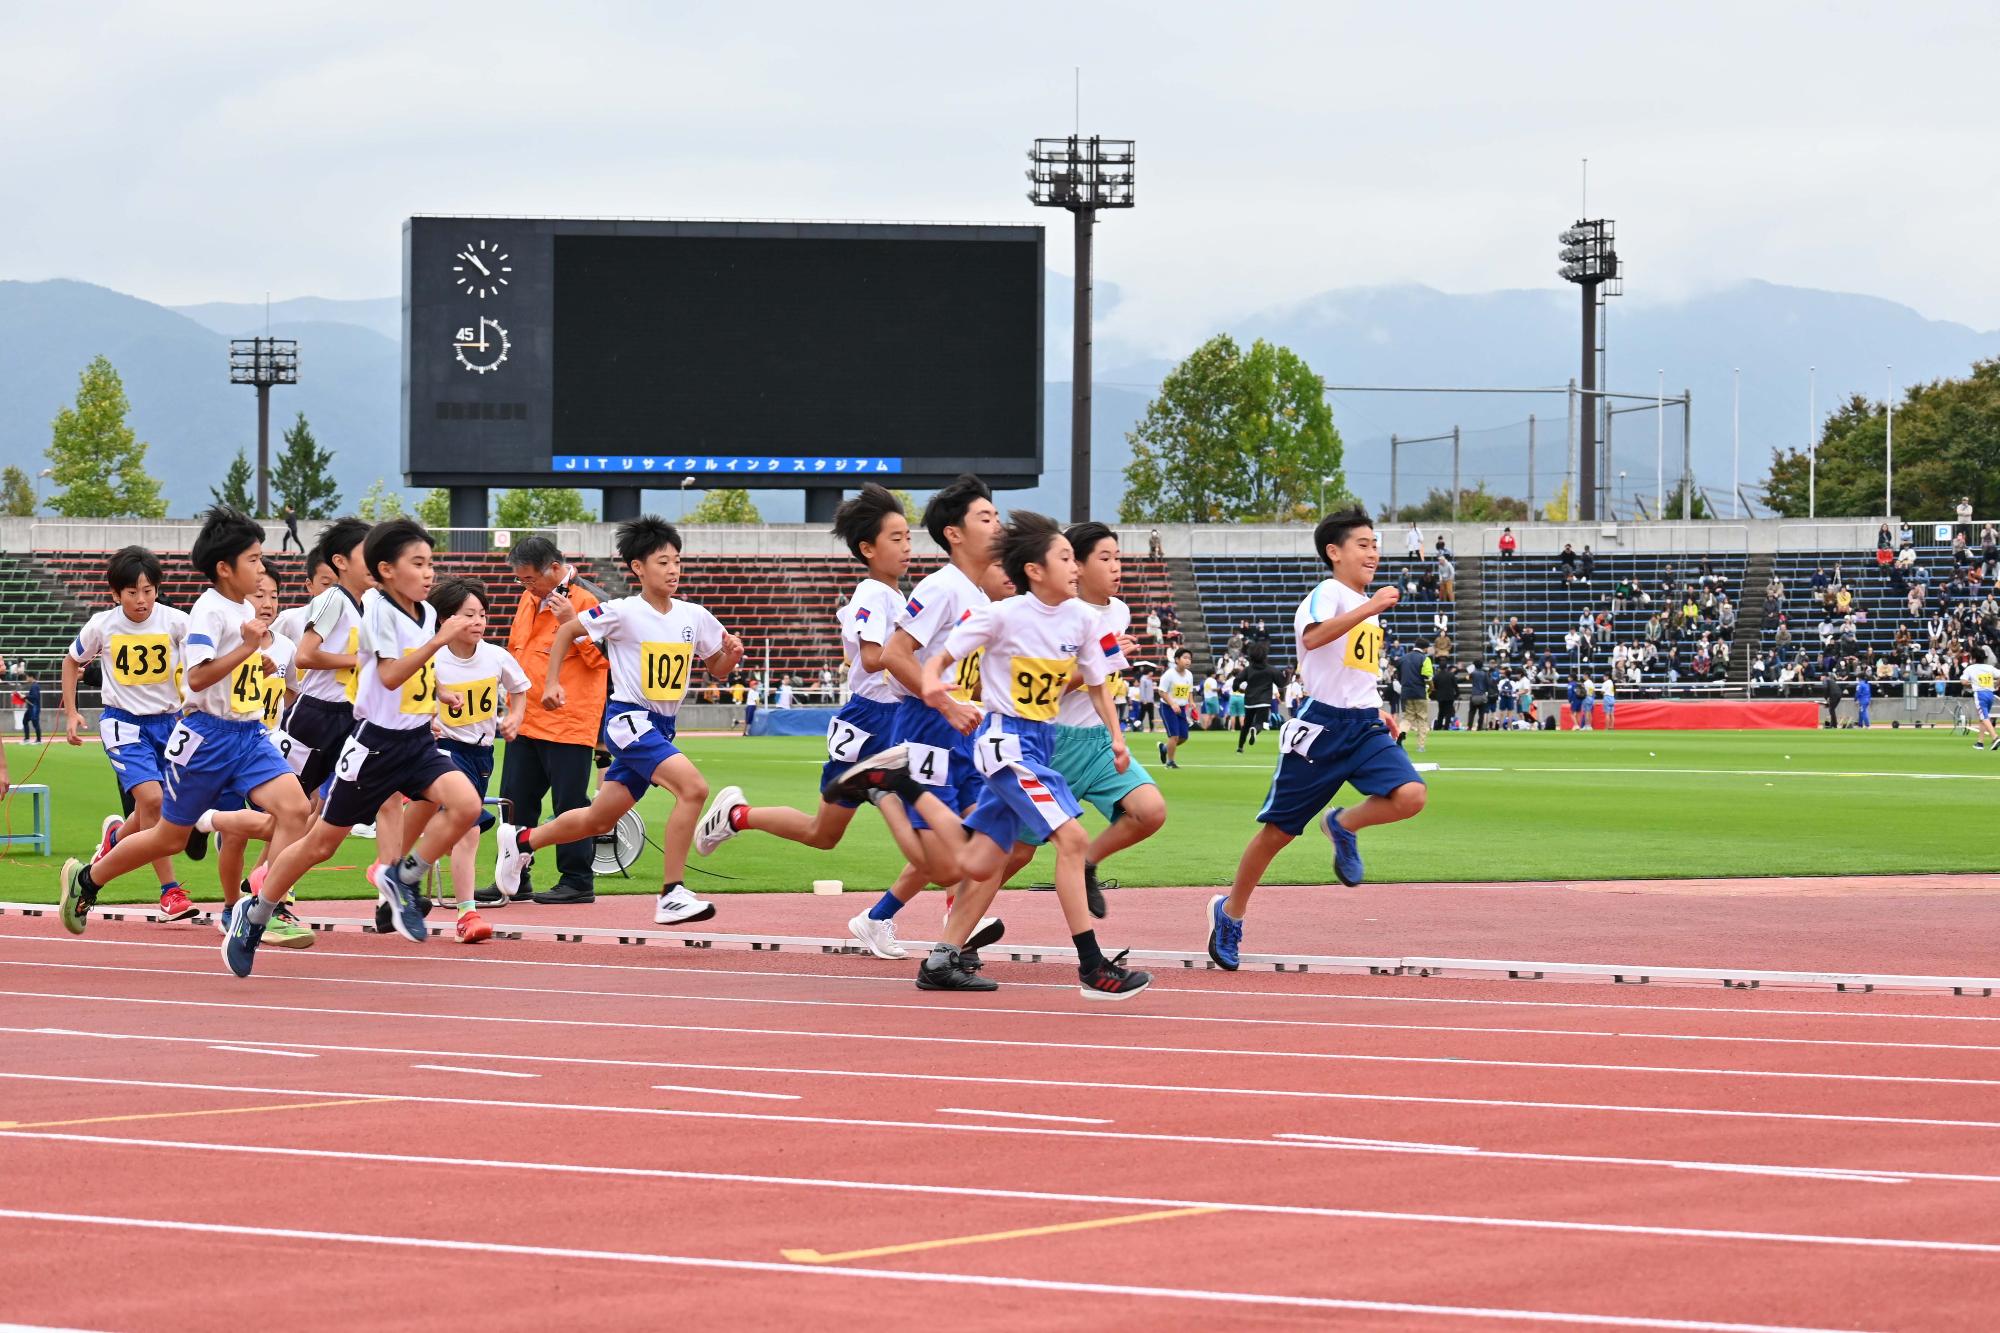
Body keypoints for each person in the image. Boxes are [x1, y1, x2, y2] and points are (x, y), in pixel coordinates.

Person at [690, 484, 956, 958]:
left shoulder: (895, 596)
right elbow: (875, 660)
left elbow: (862, 653)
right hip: (874, 723)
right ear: (867, 549)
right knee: (865, 831)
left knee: (866, 832)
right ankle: (737, 817)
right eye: (895, 538)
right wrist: (926, 675)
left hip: (897, 719)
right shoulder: (874, 593)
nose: (907, 547)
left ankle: (893, 917)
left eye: (908, 538)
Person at [226, 520, 487, 977]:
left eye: (431, 563)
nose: (429, 574)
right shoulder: (377, 612)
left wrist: (440, 690)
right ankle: (257, 914)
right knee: (320, 841)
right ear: (386, 570)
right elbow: (388, 675)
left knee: (466, 805)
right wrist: (441, 642)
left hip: (415, 743)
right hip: (374, 745)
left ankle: (401, 876)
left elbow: (414, 668)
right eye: (418, 564)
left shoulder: (423, 613)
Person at [913, 512, 1150, 999]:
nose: (1075, 567)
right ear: (1035, 570)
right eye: (1065, 558)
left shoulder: (1086, 619)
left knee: (977, 861)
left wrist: (1118, 736)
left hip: (1043, 740)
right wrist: (935, 684)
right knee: (1074, 839)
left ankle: (939, 959)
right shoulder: (1002, 613)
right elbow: (942, 656)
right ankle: (1092, 967)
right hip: (1006, 741)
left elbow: (1100, 681)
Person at [58, 506, 313, 942]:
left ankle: (263, 905)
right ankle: (89, 880)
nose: (259, 566)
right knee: (168, 838)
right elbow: (197, 677)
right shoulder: (208, 611)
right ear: (224, 567)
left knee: (296, 810)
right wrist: (245, 649)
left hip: (249, 735)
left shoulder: (241, 610)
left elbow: (237, 662)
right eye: (252, 558)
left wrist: (259, 658)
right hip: (206, 737)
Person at [494, 518, 742, 929]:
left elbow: (716, 668)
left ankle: (521, 842)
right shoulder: (623, 611)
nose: (673, 569)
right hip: (629, 719)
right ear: (638, 568)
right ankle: (672, 893)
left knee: (598, 819)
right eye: (663, 562)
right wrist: (552, 681)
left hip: (662, 725)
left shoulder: (694, 615)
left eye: (677, 561)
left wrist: (730, 655)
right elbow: (568, 630)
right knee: (694, 789)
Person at [1207, 507, 1426, 970]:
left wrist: (1379, 708)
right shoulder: (1328, 593)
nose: (1373, 552)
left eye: (1374, 544)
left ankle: (1343, 824)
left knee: (1410, 795)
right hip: (1321, 728)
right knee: (1277, 834)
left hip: (1363, 723)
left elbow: (1351, 669)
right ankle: (1229, 913)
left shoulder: (1366, 611)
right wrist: (1372, 605)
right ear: (1334, 552)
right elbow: (1313, 639)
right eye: (1362, 544)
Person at [61, 546, 196, 923]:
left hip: (169, 724)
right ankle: (170, 892)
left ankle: (116, 840)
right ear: (116, 593)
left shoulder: (175, 622)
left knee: (157, 808)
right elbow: (71, 662)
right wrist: (72, 713)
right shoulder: (102, 625)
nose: (142, 600)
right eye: (133, 592)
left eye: (149, 591)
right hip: (123, 724)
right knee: (153, 803)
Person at [484, 535, 608, 907]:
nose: (526, 586)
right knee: (515, 803)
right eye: (522, 580)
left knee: (570, 803)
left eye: (530, 579)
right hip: (526, 719)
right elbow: (517, 652)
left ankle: (577, 880)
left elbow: (608, 661)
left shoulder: (590, 599)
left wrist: (572, 623)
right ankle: (513, 878)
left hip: (569, 720)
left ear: (554, 568)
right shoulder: (530, 598)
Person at [407, 577, 529, 943]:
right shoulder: (431, 657)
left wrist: (514, 718)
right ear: (445, 619)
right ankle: (466, 914)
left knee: (451, 828)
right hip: (443, 751)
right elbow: (406, 692)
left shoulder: (495, 656)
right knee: (470, 828)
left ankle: (397, 868)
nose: (478, 621)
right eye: (468, 615)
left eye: (482, 614)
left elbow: (519, 689)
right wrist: (427, 718)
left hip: (482, 754)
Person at [1236, 643, 1285, 752]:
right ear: (1265, 655)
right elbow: (1281, 683)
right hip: (1264, 701)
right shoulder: (1271, 669)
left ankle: (1240, 747)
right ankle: (1255, 729)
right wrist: (1287, 676)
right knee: (1260, 723)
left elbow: (1237, 680)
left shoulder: (1248, 670)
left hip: (1249, 700)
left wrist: (1236, 688)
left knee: (1246, 724)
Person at [1156, 648, 1194, 769]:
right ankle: (1170, 762)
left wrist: (1191, 702)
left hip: (1181, 708)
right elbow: (1161, 691)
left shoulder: (1189, 674)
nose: (1188, 660)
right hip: (1168, 708)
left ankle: (1164, 748)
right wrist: (1172, 704)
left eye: (1189, 658)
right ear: (1177, 660)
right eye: (1185, 658)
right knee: (1174, 736)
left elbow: (1190, 690)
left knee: (1183, 737)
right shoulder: (1169, 674)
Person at [1397, 644, 1432, 753]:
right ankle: (1421, 746)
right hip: (1420, 693)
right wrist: (1431, 687)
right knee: (1422, 718)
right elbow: (1427, 677)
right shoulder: (1425, 659)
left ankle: (1401, 732)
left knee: (1408, 718)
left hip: (1406, 692)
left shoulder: (1402, 659)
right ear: (1425, 648)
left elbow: (1399, 677)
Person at [1966, 659, 2000, 749]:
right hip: (1990, 694)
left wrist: (1972, 684)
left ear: (1973, 658)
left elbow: (1964, 681)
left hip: (1980, 694)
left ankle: (1995, 737)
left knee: (1983, 717)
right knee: (1982, 718)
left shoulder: (1970, 668)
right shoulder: (1989, 667)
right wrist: (1996, 684)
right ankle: (1980, 742)